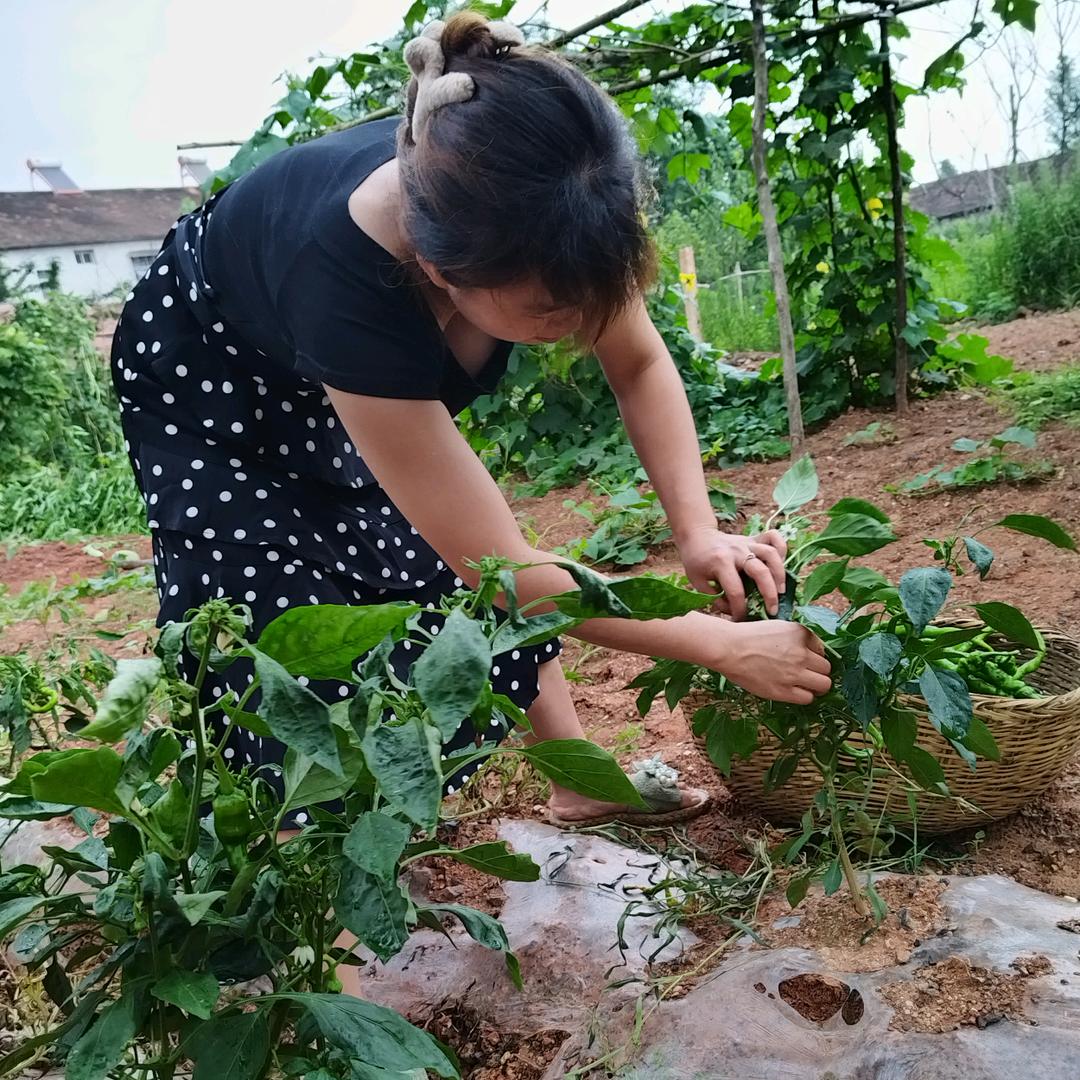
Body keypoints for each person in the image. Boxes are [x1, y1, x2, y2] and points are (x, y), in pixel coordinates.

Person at [110, 12, 831, 831]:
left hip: (331, 331)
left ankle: (579, 781)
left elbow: (638, 363)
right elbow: (511, 576)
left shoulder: (550, 203)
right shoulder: (346, 281)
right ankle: (295, 854)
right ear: (440, 271)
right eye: (551, 310)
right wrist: (714, 642)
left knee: (443, 550)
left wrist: (698, 534)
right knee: (276, 627)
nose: (578, 323)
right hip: (208, 373)